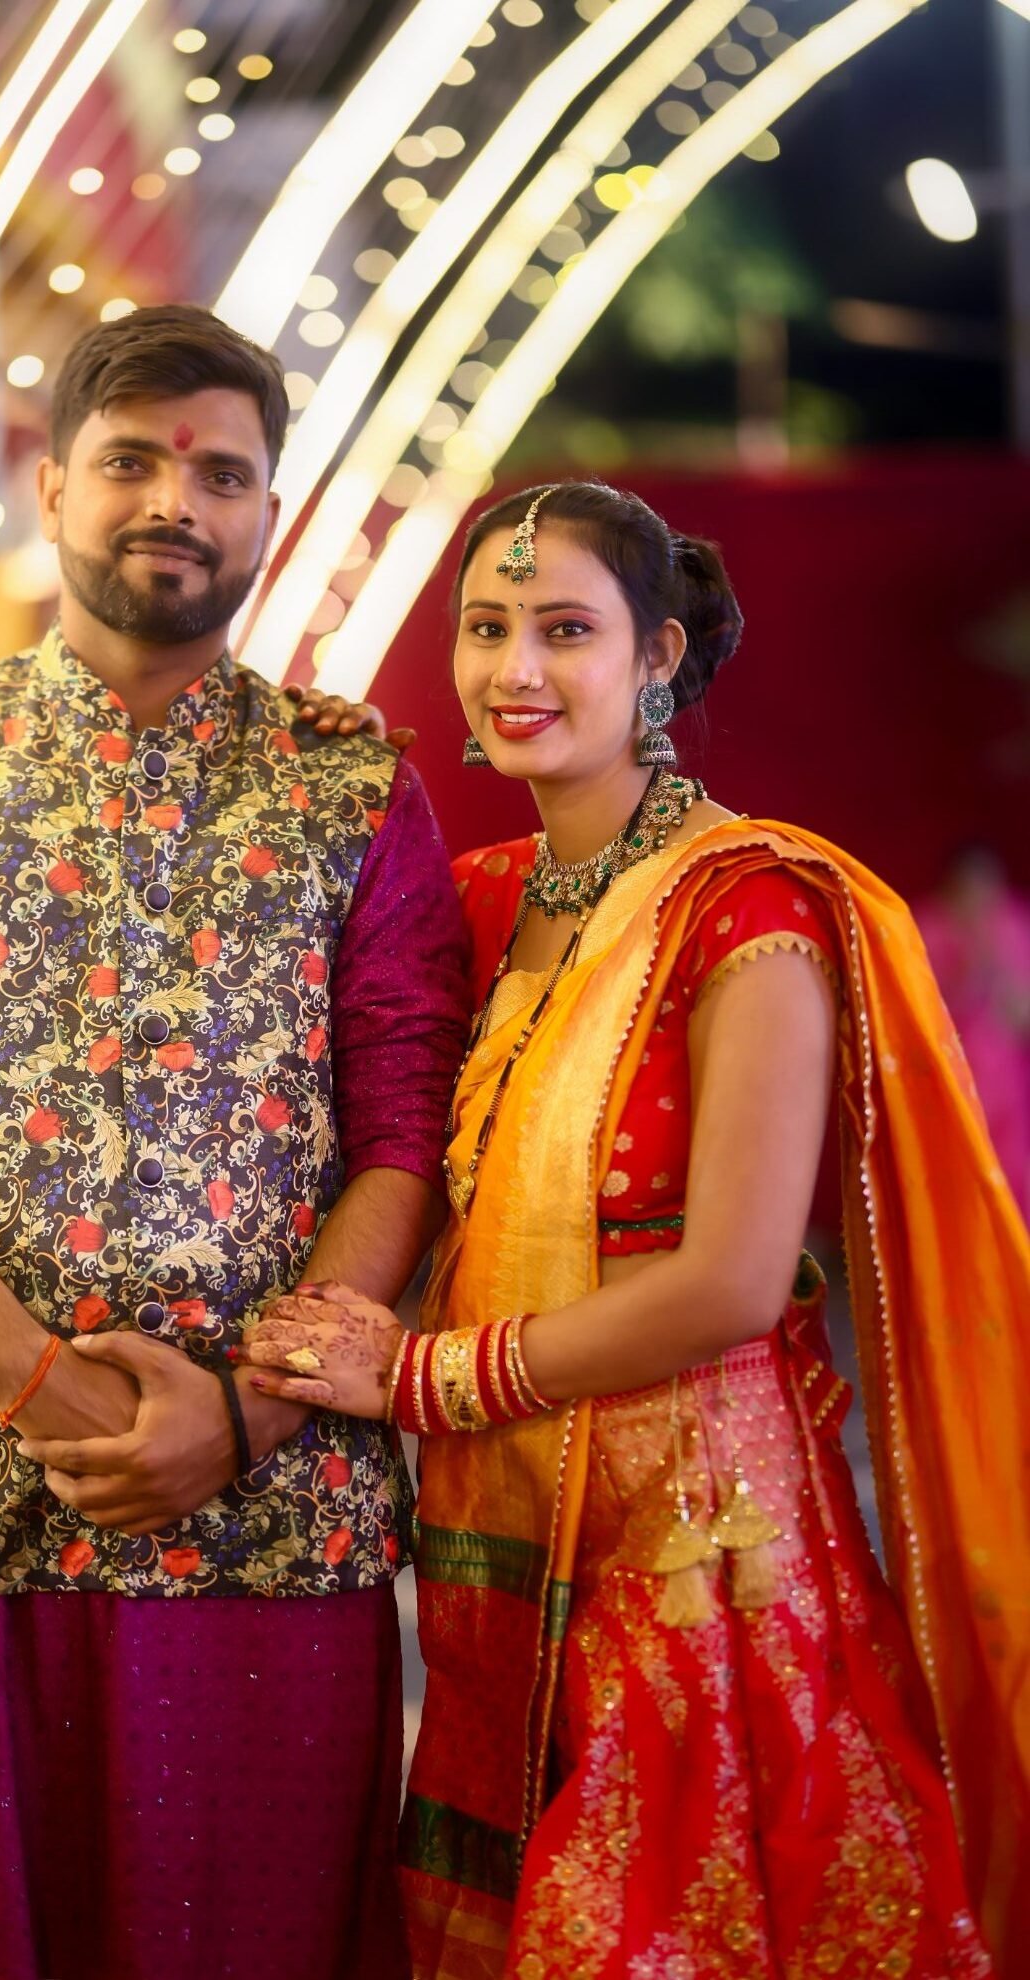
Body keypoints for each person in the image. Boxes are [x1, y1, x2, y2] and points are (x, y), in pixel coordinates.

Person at [0, 303, 471, 1980]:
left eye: (223, 474)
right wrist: (44, 1391)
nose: (176, 502)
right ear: (55, 487)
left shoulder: (355, 789)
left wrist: (247, 1414)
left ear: (269, 511)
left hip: (267, 1520)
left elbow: (408, 1133)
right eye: (133, 460)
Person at [245, 480, 1030, 1978]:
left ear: (658, 655)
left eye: (565, 631)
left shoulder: (748, 910)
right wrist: (324, 786)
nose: (515, 670)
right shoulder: (481, 902)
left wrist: (420, 1377)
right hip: (505, 1535)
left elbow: (734, 1280)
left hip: (696, 1556)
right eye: (487, 629)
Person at [915, 844, 1030, 1222]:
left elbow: (1022, 1016)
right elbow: (916, 1010)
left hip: (1007, 1089)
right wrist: (965, 973)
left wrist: (997, 972)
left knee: (1012, 1177)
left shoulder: (1014, 925)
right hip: (946, 1078)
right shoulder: (926, 928)